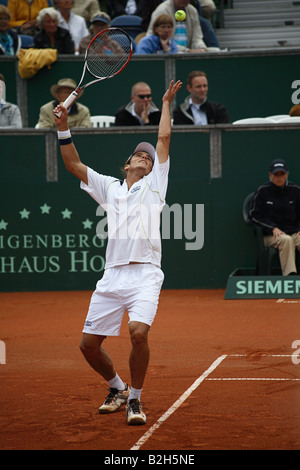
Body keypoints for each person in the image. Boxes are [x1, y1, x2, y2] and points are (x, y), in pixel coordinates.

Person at [53, 79, 182, 425]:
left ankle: (135, 400)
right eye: (138, 155)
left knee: (138, 333)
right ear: (126, 166)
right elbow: (73, 165)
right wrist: (63, 127)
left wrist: (166, 102)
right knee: (88, 346)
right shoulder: (109, 188)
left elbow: (164, 139)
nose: (144, 156)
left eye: (148, 157)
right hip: (112, 276)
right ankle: (118, 387)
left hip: (145, 273)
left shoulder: (155, 184)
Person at [249, 159, 300, 276]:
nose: (279, 177)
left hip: (293, 232)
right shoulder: (262, 191)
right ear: (270, 175)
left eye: (281, 174)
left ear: (287, 174)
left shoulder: (296, 191)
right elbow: (254, 216)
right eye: (275, 174)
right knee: (286, 240)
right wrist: (272, 228)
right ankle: (289, 281)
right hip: (270, 235)